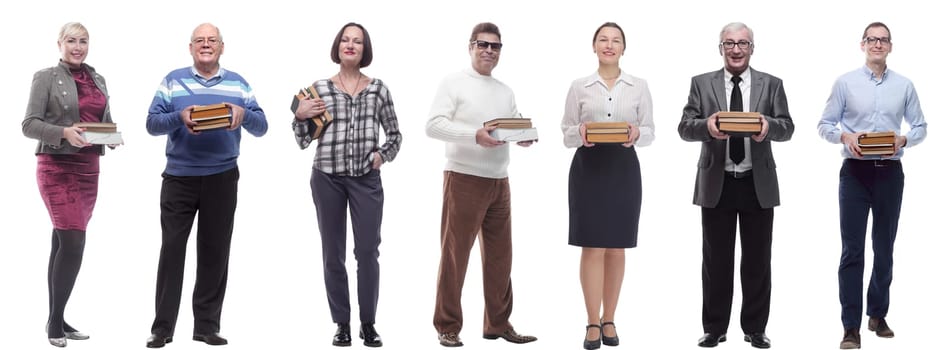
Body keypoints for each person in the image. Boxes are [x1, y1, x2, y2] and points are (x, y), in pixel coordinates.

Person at [143, 23, 268, 348]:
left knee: (215, 252)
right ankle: (162, 328)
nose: (206, 44)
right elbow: (151, 123)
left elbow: (262, 126)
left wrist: (243, 113)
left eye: (212, 40)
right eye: (200, 40)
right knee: (172, 251)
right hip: (179, 178)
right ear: (190, 47)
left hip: (222, 177)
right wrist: (179, 117)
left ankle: (206, 327)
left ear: (222, 47)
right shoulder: (172, 80)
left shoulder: (239, 83)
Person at [677, 22, 794, 349]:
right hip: (718, 181)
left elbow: (788, 127)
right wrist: (708, 126)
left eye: (743, 43)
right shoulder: (701, 84)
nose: (736, 49)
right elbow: (685, 127)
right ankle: (714, 328)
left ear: (752, 48)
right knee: (716, 262)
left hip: (758, 183)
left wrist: (768, 127)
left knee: (758, 260)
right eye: (729, 43)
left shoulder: (772, 84)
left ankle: (755, 328)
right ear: (721, 48)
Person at [426, 22, 537, 348]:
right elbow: (433, 125)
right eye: (483, 44)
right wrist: (472, 135)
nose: (489, 50)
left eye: (495, 46)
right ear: (471, 46)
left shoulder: (504, 90)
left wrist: (523, 137)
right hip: (463, 178)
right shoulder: (454, 82)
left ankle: (498, 324)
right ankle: (447, 326)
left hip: (499, 181)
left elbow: (513, 121)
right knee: (455, 256)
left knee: (501, 258)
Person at [817, 22, 927, 350]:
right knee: (852, 250)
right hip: (855, 174)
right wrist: (845, 136)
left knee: (884, 247)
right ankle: (850, 326)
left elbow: (921, 125)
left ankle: (877, 313)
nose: (877, 44)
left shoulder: (904, 85)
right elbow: (824, 124)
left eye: (883, 40)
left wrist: (904, 138)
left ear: (890, 46)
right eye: (872, 39)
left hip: (889, 175)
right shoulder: (845, 83)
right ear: (862, 44)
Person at [291, 22, 402, 348]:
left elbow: (395, 135)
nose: (350, 45)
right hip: (327, 178)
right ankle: (342, 324)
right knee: (332, 254)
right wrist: (299, 116)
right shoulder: (319, 89)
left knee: (367, 253)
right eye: (345, 40)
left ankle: (368, 324)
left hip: (366, 180)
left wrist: (383, 155)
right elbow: (302, 140)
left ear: (365, 49)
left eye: (357, 41)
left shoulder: (378, 89)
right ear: (337, 47)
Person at [560, 22, 654, 350]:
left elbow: (650, 130)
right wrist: (580, 132)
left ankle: (610, 317)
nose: (609, 45)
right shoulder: (579, 86)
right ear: (594, 46)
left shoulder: (638, 86)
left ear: (624, 48)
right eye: (603, 39)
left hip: (624, 170)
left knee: (616, 246)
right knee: (592, 246)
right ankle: (590, 321)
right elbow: (566, 131)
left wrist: (637, 133)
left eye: (616, 40)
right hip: (589, 169)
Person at [22, 22, 113, 348]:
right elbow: (29, 124)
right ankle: (54, 325)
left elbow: (99, 119)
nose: (78, 47)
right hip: (57, 168)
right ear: (59, 43)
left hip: (89, 168)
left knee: (62, 243)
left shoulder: (97, 78)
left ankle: (56, 317)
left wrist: (109, 135)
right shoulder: (45, 76)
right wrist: (63, 133)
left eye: (83, 41)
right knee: (73, 243)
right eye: (72, 41)